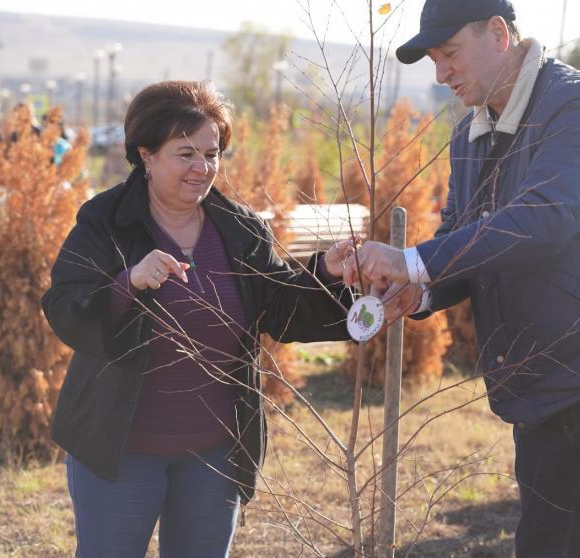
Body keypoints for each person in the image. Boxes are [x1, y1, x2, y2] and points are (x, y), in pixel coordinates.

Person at [343, 1, 580, 555]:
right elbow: (461, 236)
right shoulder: (470, 136)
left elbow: (543, 221)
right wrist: (416, 291)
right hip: (544, 380)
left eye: (450, 54)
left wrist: (414, 260)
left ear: (498, 33)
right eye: (434, 61)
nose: (441, 74)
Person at [42, 80, 354, 557]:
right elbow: (65, 307)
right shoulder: (105, 221)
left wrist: (326, 274)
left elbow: (281, 306)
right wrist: (129, 283)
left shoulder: (240, 227)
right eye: (185, 154)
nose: (202, 168)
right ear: (145, 154)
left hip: (214, 455)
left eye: (212, 154)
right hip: (121, 452)